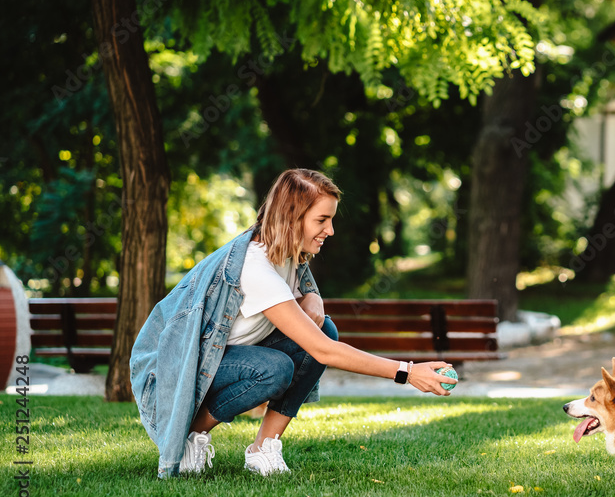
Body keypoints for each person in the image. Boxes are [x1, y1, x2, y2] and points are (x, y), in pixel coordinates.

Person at [130, 169, 456, 478]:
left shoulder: (286, 252)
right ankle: (192, 434)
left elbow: (312, 311)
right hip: (173, 373)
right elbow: (324, 351)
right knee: (275, 367)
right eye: (322, 220)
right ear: (291, 218)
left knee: (324, 327)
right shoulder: (254, 267)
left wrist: (313, 295)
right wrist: (408, 372)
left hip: (225, 358)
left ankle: (263, 448)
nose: (330, 230)